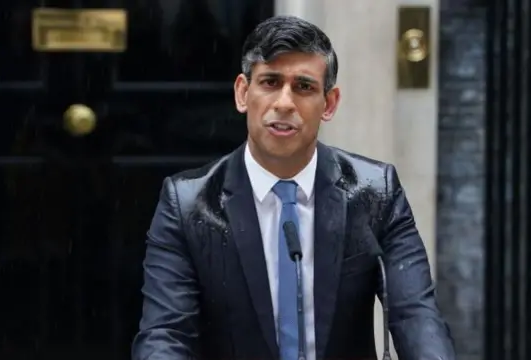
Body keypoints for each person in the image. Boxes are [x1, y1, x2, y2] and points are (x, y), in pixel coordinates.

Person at [131, 15, 456, 360]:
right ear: (243, 93)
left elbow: (416, 317)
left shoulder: (376, 193)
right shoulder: (186, 204)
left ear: (329, 104)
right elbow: (166, 334)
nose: (284, 103)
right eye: (270, 82)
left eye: (304, 87)